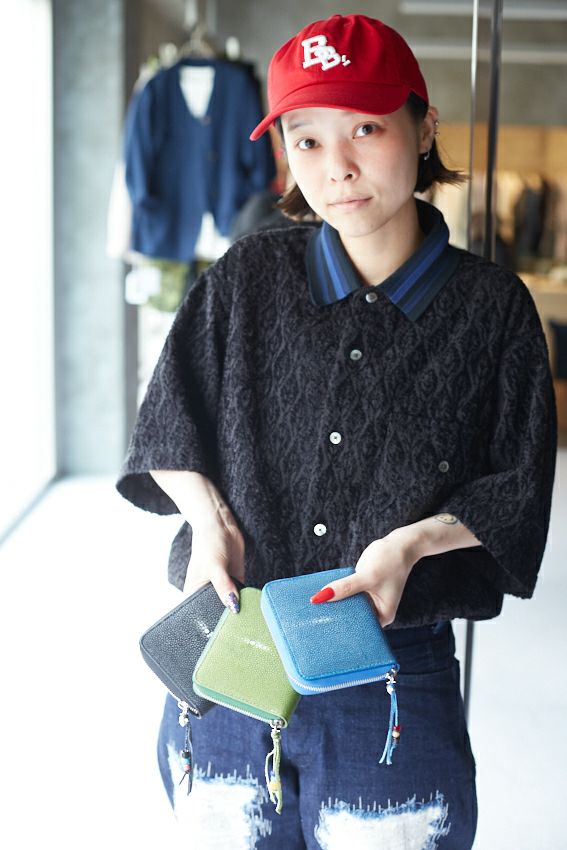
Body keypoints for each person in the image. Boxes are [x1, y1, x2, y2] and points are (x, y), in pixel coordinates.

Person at [117, 14, 557, 850]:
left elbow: (515, 486)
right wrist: (209, 525)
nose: (337, 167)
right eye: (307, 139)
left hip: (390, 671)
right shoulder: (247, 275)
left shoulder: (491, 308)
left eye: (365, 129)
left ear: (423, 128)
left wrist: (410, 545)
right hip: (230, 652)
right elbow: (168, 424)